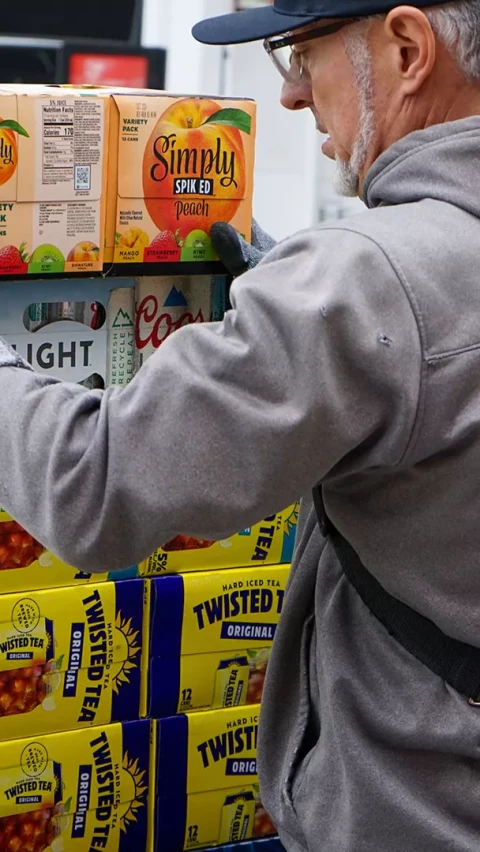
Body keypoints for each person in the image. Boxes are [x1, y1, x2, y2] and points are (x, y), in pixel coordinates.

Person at [0, 0, 480, 847]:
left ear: (407, 49)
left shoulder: (364, 279)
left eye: (301, 55)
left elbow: (95, 485)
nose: (293, 97)